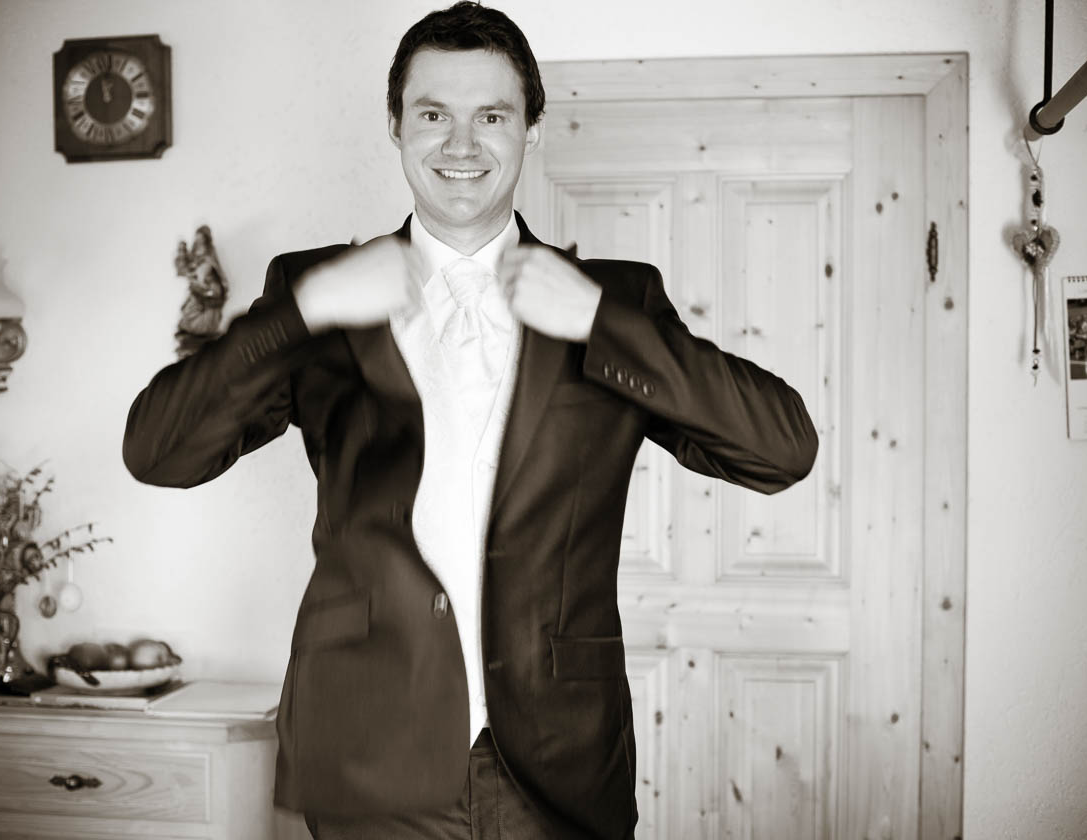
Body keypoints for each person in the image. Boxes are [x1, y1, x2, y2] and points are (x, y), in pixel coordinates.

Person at [123, 3, 818, 838]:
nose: (461, 144)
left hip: (558, 766)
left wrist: (601, 323)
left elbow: (781, 449)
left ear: (531, 130)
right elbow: (159, 452)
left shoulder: (619, 299)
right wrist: (302, 313)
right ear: (395, 125)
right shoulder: (312, 290)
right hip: (369, 754)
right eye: (433, 115)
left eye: (491, 116)